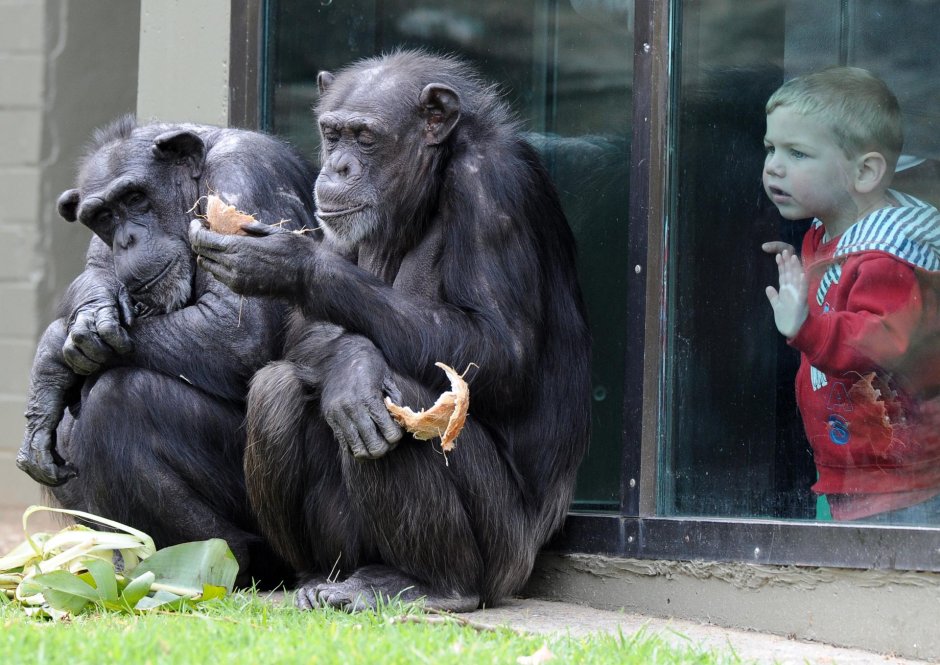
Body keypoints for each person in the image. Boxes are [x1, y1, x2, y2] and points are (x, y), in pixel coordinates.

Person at [762, 66, 940, 523]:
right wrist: (810, 273)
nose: (774, 166)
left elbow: (882, 341)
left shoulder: (887, 257)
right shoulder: (825, 237)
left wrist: (807, 325)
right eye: (771, 148)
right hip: (858, 467)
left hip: (903, 480)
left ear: (864, 172)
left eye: (797, 153)